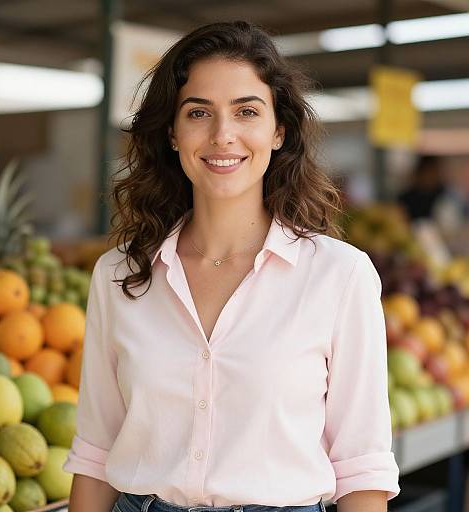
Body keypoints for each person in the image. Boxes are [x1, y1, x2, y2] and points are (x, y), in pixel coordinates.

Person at [63, 20, 400, 512]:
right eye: (198, 112)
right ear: (173, 134)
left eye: (247, 112)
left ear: (278, 130)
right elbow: (96, 453)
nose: (223, 135)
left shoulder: (339, 276)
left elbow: (362, 469)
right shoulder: (118, 275)